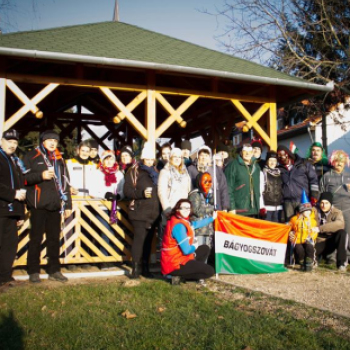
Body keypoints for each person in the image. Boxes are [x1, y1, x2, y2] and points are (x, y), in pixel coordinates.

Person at [23, 130, 72, 283]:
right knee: (36, 238)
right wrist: (41, 176)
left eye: (55, 141)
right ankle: (33, 271)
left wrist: (68, 204)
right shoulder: (32, 156)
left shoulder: (60, 159)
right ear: (43, 141)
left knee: (53, 239)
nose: (52, 143)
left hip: (55, 205)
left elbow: (66, 183)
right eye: (49, 140)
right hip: (38, 204)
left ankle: (54, 270)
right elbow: (23, 178)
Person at [123, 142, 160, 279]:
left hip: (153, 213)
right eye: (147, 159)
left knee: (148, 242)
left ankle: (145, 268)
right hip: (139, 212)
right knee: (139, 240)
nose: (150, 162)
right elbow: (127, 191)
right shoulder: (134, 171)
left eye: (152, 159)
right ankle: (135, 270)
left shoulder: (156, 173)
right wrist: (142, 194)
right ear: (143, 158)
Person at [161, 199, 216, 285]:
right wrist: (195, 246)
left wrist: (212, 218)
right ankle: (179, 276)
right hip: (174, 264)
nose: (187, 210)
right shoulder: (178, 226)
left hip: (179, 257)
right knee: (210, 271)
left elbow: (197, 224)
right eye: (184, 208)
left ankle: (189, 271)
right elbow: (186, 250)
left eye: (188, 208)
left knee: (205, 248)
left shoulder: (181, 219)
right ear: (177, 209)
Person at [89, 150, 124, 269]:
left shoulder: (119, 174)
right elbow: (92, 190)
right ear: (103, 161)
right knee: (105, 230)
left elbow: (123, 189)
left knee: (114, 231)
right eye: (107, 159)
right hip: (101, 207)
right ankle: (104, 258)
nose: (109, 162)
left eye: (111, 159)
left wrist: (119, 195)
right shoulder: (97, 173)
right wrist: (104, 195)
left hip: (115, 207)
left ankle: (113, 256)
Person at [0, 129, 26, 289]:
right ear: (2, 141)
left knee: (10, 245)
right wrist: (13, 194)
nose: (13, 145)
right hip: (1, 208)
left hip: (12, 211)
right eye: (9, 141)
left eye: (15, 142)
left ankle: (5, 276)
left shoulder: (15, 161)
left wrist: (20, 213)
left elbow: (20, 186)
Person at [320, 150, 350, 259]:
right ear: (333, 162)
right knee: (332, 232)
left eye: (342, 162)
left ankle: (347, 256)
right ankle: (331, 257)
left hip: (347, 209)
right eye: (337, 161)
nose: (339, 164)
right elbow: (321, 192)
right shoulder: (326, 176)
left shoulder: (348, 175)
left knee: (347, 234)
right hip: (333, 211)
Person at [277, 145, 319, 222]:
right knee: (291, 225)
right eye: (279, 156)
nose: (282, 158)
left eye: (283, 155)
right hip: (288, 203)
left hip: (303, 200)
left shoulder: (303, 163)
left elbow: (313, 179)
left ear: (288, 154)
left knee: (304, 223)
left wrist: (314, 195)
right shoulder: (279, 169)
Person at [188, 145, 229, 211]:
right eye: (202, 155)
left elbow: (223, 188)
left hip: (216, 204)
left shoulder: (216, 170)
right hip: (198, 206)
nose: (204, 158)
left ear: (209, 157)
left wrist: (225, 206)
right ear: (198, 156)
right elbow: (189, 188)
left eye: (206, 155)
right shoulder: (191, 169)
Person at [158, 147, 191, 228]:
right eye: (175, 157)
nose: (177, 159)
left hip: (183, 211)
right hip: (170, 210)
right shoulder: (165, 172)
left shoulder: (186, 174)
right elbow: (161, 193)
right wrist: (168, 211)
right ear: (171, 157)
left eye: (179, 157)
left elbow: (188, 190)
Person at [224, 144, 261, 217]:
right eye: (245, 151)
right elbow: (228, 187)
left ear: (252, 153)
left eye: (249, 152)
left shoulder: (256, 167)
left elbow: (258, 187)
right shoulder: (233, 166)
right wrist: (231, 207)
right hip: (239, 210)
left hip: (254, 210)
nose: (247, 154)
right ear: (241, 153)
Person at [315, 192, 347, 271]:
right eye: (322, 203)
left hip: (330, 241)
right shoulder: (314, 211)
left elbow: (340, 224)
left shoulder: (337, 212)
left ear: (331, 204)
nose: (324, 205)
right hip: (318, 241)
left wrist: (320, 228)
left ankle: (341, 264)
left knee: (342, 233)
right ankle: (316, 257)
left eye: (326, 203)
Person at [288, 191, 319, 271]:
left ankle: (309, 261)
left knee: (310, 248)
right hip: (297, 240)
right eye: (305, 211)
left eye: (309, 210)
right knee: (299, 249)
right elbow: (289, 227)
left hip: (308, 240)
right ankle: (301, 261)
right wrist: (290, 233)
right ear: (301, 211)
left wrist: (312, 237)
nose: (307, 212)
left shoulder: (313, 221)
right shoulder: (295, 219)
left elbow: (315, 231)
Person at [188, 172, 215, 248]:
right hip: (199, 230)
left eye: (209, 181)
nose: (208, 184)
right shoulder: (194, 194)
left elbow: (214, 204)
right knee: (199, 253)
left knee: (206, 252)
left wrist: (211, 197)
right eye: (205, 181)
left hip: (208, 230)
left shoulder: (208, 194)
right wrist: (212, 209)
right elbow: (197, 211)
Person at [261, 151, 283, 222]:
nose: (273, 163)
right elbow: (260, 190)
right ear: (267, 161)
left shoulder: (280, 173)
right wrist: (261, 206)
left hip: (278, 207)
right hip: (267, 207)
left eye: (274, 160)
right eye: (270, 160)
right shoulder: (263, 173)